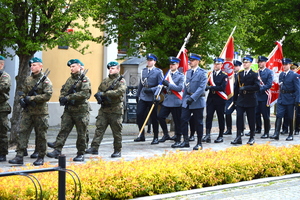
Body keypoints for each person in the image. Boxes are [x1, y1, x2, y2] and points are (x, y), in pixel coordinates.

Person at [9, 57, 53, 166]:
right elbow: (23, 92)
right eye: (31, 65)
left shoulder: (45, 80)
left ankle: (41, 156)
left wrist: (32, 99)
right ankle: (19, 155)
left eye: (34, 65)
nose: (32, 67)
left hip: (40, 113)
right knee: (23, 132)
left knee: (41, 134)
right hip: (28, 111)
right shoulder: (28, 79)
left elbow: (47, 95)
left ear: (41, 66)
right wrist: (22, 100)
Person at [47, 59, 91, 162]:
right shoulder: (69, 80)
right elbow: (63, 90)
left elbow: (85, 94)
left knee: (81, 133)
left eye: (74, 66)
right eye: (71, 67)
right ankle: (57, 150)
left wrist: (69, 97)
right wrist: (62, 98)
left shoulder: (84, 79)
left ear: (80, 67)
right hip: (69, 110)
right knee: (64, 129)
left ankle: (81, 153)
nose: (71, 68)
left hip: (81, 111)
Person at [85, 61, 126, 157]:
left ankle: (117, 150)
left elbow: (119, 92)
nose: (110, 70)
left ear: (118, 69)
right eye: (109, 68)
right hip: (104, 109)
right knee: (99, 129)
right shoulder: (105, 80)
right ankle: (94, 148)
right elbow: (100, 90)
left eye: (113, 68)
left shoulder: (121, 81)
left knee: (116, 131)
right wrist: (99, 97)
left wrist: (105, 94)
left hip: (115, 110)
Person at [175, 53, 207, 150]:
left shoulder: (202, 73)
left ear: (197, 61)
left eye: (192, 60)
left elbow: (201, 88)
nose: (190, 62)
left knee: (198, 122)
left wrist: (192, 98)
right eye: (190, 60)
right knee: (183, 120)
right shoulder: (188, 72)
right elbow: (186, 87)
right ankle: (185, 141)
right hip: (187, 100)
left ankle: (199, 142)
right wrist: (183, 100)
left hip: (197, 101)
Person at [134, 53, 163, 144]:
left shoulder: (158, 72)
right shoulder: (144, 71)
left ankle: (155, 137)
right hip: (143, 96)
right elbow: (141, 84)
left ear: (154, 61)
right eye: (148, 60)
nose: (149, 62)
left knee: (154, 117)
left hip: (153, 97)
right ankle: (141, 134)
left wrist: (151, 90)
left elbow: (161, 85)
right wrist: (138, 94)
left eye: (151, 60)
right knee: (139, 115)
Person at [231, 55, 260, 145]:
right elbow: (236, 87)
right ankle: (238, 136)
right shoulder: (240, 74)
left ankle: (252, 137)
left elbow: (257, 86)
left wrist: (246, 88)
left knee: (251, 119)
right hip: (241, 100)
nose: (245, 64)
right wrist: (234, 100)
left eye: (246, 62)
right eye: (244, 62)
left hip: (251, 99)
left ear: (250, 63)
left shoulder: (254, 74)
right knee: (239, 118)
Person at [270, 58, 300, 141]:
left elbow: (298, 89)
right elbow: (280, 86)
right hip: (282, 98)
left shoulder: (295, 75)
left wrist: (297, 100)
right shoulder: (281, 74)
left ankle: (290, 134)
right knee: (279, 116)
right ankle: (276, 133)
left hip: (290, 99)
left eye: (286, 65)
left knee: (290, 117)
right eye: (283, 65)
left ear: (290, 65)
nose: (284, 66)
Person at [156, 57, 184, 146]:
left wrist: (168, 84)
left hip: (176, 100)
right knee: (160, 117)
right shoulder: (167, 75)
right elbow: (164, 88)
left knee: (177, 120)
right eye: (170, 64)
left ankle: (178, 138)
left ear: (177, 65)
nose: (171, 65)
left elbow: (180, 88)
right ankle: (166, 134)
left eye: (173, 64)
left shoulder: (181, 76)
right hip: (167, 100)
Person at [202, 58, 228, 143]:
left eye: (218, 64)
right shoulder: (210, 74)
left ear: (221, 65)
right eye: (215, 64)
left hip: (220, 99)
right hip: (211, 98)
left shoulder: (224, 75)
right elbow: (207, 84)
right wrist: (206, 86)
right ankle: (207, 135)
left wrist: (210, 87)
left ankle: (220, 135)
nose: (216, 65)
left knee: (220, 117)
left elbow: (222, 87)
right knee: (208, 116)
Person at [252, 56, 274, 139]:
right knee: (256, 114)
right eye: (259, 62)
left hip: (264, 96)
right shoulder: (256, 72)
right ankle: (258, 128)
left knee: (265, 115)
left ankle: (266, 132)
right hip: (256, 96)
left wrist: (259, 89)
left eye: (261, 62)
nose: (260, 63)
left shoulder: (269, 72)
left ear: (265, 62)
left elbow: (269, 84)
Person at [224, 60, 242, 136]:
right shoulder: (230, 76)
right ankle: (229, 129)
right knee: (227, 112)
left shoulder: (242, 75)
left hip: (239, 98)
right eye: (233, 66)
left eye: (236, 66)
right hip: (231, 97)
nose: (234, 68)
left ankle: (240, 130)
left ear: (239, 67)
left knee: (239, 115)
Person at [0, 56, 11, 162]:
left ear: (1, 65)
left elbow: (3, 87)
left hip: (2, 108)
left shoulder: (5, 76)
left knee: (2, 132)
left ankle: (2, 153)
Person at [291, 63, 300, 135]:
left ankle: (297, 129)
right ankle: (287, 128)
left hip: (298, 97)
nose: (293, 70)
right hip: (291, 97)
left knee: (298, 114)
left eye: (294, 68)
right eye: (292, 68)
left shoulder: (298, 77)